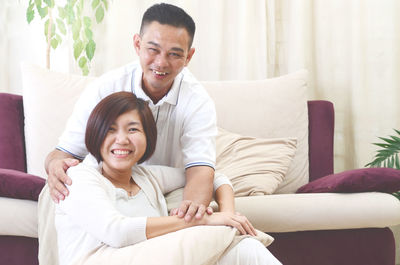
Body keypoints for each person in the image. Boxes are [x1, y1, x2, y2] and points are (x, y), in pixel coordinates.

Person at [55, 92, 282, 265]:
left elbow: (213, 177)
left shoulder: (147, 177)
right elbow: (117, 232)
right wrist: (202, 220)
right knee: (219, 233)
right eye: (110, 130)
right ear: (96, 134)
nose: (121, 139)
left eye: (133, 130)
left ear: (147, 138)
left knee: (246, 250)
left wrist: (228, 213)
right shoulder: (78, 177)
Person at [46, 3, 217, 222]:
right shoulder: (106, 87)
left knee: (202, 218)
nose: (161, 63)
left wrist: (191, 213)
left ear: (189, 56)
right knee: (55, 195)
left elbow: (200, 168)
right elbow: (63, 153)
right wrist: (55, 166)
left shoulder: (198, 101)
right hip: (108, 186)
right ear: (137, 44)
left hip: (165, 189)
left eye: (174, 54)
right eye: (153, 50)